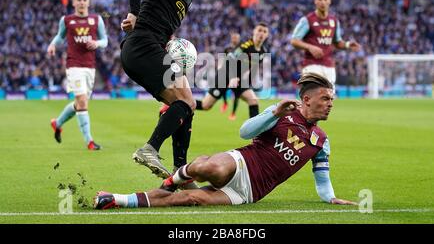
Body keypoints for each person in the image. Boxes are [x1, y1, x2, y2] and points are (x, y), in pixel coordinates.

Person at [94, 73, 357, 209]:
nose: (330, 104)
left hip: (249, 192)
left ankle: (115, 199)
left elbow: (322, 181)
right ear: (308, 99)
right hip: (242, 162)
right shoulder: (283, 111)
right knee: (209, 168)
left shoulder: (321, 142)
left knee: (190, 200)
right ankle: (174, 178)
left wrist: (332, 198)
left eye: (332, 100)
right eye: (326, 99)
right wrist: (275, 112)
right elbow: (245, 131)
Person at [120, 0, 217, 180]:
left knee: (187, 104)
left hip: (150, 47)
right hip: (142, 45)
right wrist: (133, 12)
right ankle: (149, 149)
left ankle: (179, 172)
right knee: (185, 100)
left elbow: (162, 22)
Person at [47, 0, 108, 150]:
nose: (81, 2)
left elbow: (105, 40)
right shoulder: (66, 20)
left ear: (88, 3)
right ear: (73, 3)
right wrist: (53, 44)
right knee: (82, 101)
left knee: (79, 104)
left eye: (84, 0)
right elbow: (60, 37)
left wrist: (97, 44)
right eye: (78, 0)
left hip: (90, 66)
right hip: (74, 65)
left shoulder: (97, 19)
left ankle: (57, 123)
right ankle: (89, 141)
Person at [195, 22, 269, 119]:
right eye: (259, 30)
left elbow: (251, 68)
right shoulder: (245, 46)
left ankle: (255, 132)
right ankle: (182, 103)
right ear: (254, 32)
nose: (261, 33)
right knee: (206, 105)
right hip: (225, 75)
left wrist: (246, 79)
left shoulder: (263, 52)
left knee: (253, 100)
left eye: (264, 31)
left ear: (267, 35)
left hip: (238, 80)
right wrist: (233, 77)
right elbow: (230, 60)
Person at [290, 0, 361, 86]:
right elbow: (294, 41)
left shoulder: (334, 21)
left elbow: (337, 42)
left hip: (329, 66)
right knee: (313, 98)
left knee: (328, 99)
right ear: (315, 1)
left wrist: (348, 44)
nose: (322, 2)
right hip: (311, 65)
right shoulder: (307, 20)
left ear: (329, 1)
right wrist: (310, 47)